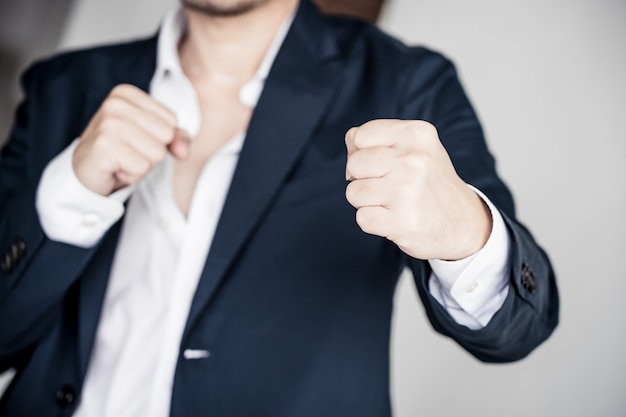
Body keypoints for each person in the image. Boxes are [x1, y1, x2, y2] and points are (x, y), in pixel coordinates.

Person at [0, 0, 559, 416]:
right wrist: (68, 192)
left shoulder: (407, 84)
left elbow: (518, 326)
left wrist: (465, 231)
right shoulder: (61, 85)